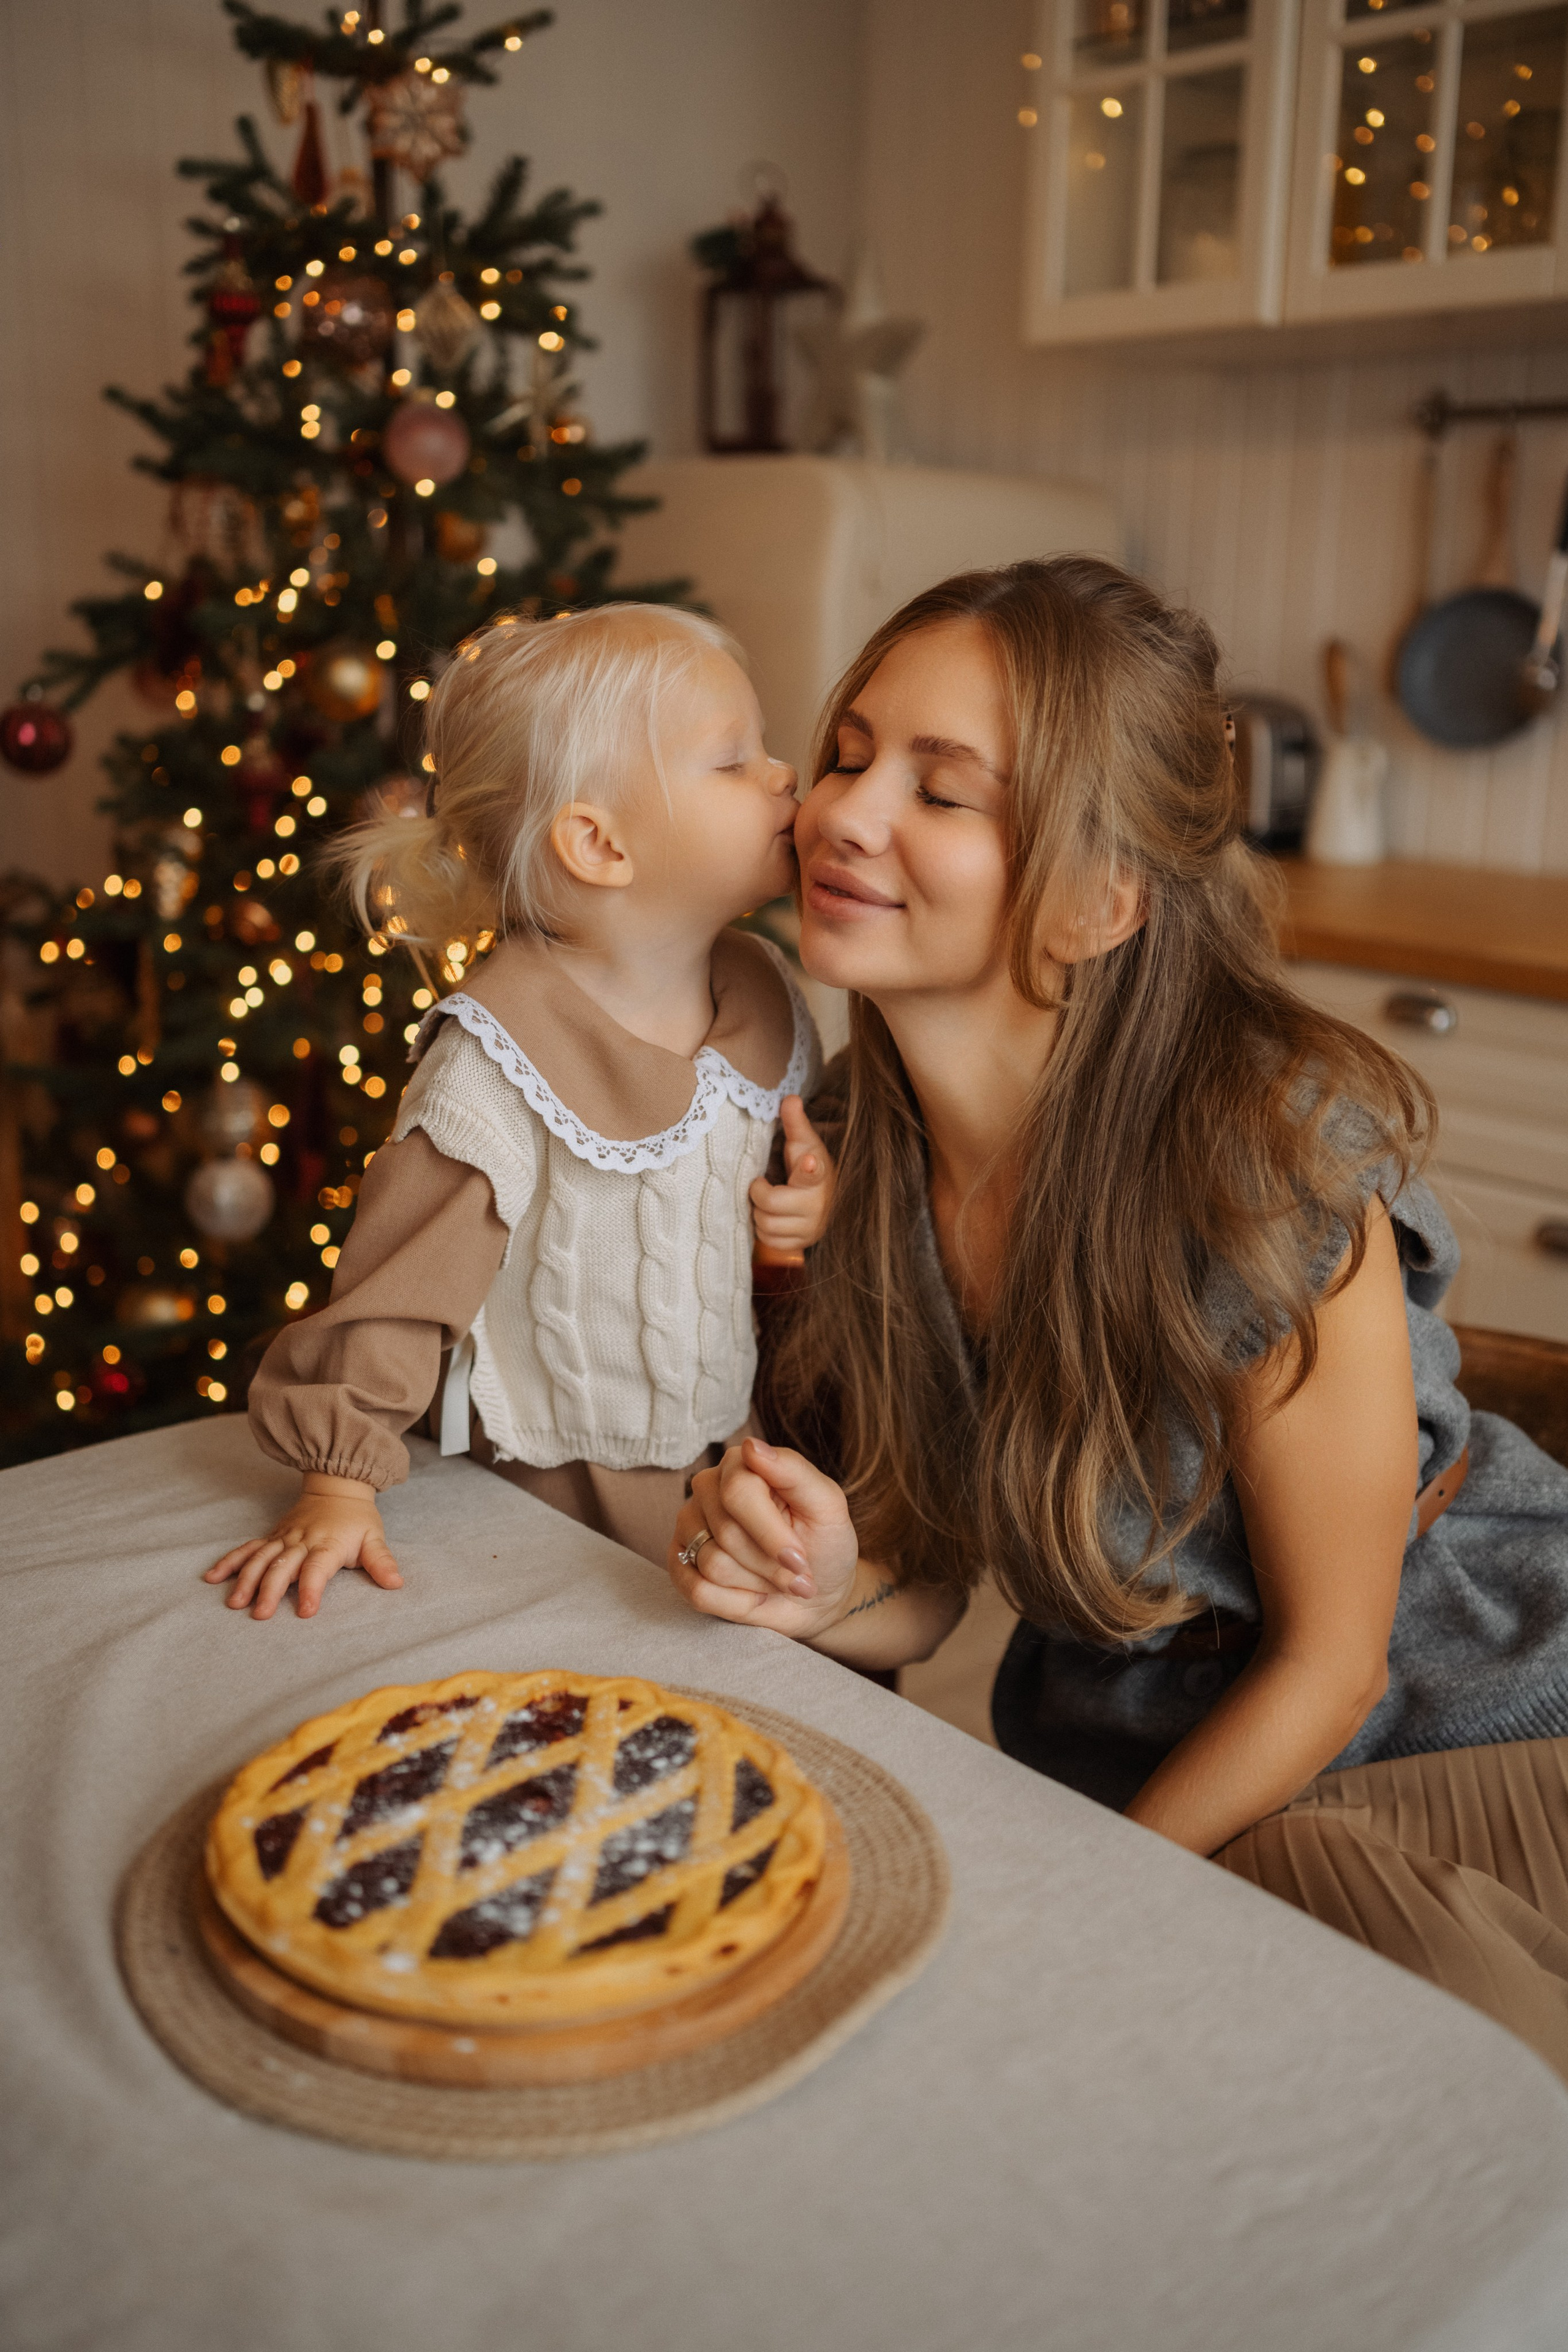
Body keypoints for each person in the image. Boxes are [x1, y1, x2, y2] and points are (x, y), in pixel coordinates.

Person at [666, 557, 1568, 2080]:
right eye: (845, 752)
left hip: (1473, 1715)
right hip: (1160, 1747)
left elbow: (1331, 1662)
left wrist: (1096, 1902)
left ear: (1098, 899)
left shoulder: (1250, 1170)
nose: (841, 812)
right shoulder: (840, 1150)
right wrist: (818, 1585)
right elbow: (928, 1588)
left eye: (943, 793)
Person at [208, 603, 833, 1620]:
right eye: (734, 762)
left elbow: (787, 1152)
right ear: (598, 842)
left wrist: (815, 1195)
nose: (784, 777)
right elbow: (409, 1272)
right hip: (550, 1476)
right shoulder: (501, 1054)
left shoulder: (763, 991)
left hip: (728, 1446)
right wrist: (339, 1478)